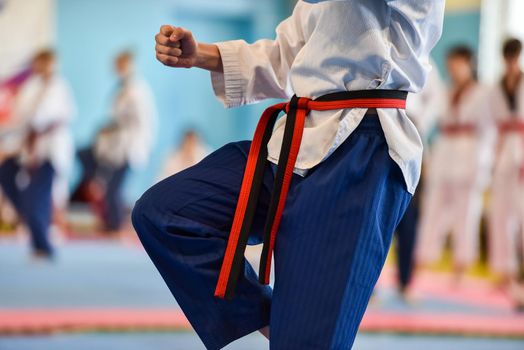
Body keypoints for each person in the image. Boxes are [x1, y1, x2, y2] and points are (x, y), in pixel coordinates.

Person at [132, 1, 445, 349]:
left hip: (362, 147)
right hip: (295, 140)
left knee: (305, 343)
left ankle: (299, 329)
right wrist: (201, 54)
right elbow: (287, 56)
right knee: (166, 213)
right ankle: (284, 320)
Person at [416, 46, 494, 282]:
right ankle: (423, 259)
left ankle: (461, 264)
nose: (453, 68)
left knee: (466, 212)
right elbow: (430, 120)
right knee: (432, 209)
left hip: (470, 153)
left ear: (469, 62)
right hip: (445, 149)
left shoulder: (484, 92)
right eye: (450, 64)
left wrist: (484, 164)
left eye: (457, 63)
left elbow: (489, 132)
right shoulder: (445, 91)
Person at [0, 49, 75, 258]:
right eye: (39, 63)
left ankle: (43, 244)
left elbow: (42, 118)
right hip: (27, 145)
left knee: (37, 198)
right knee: (5, 172)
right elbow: (20, 120)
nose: (43, 67)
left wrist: (32, 126)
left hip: (50, 150)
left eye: (47, 63)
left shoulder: (60, 87)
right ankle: (32, 224)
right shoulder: (30, 88)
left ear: (53, 64)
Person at [74, 51, 157, 233]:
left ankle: (115, 225)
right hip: (117, 144)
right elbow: (117, 116)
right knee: (85, 156)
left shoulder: (137, 90)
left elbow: (137, 120)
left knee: (113, 189)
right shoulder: (123, 88)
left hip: (129, 146)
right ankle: (109, 217)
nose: (116, 69)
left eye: (119, 65)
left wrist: (114, 127)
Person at [394, 62, 445, 299]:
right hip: (383, 124)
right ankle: (368, 287)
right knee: (373, 215)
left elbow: (437, 100)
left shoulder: (425, 59)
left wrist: (419, 122)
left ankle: (405, 281)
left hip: (413, 130)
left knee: (410, 216)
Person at [488, 38, 524, 296]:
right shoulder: (496, 87)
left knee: (521, 213)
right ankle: (505, 270)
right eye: (508, 57)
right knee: (500, 213)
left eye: (515, 57)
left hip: (521, 147)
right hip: (502, 153)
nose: (511, 62)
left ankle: (518, 272)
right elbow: (491, 123)